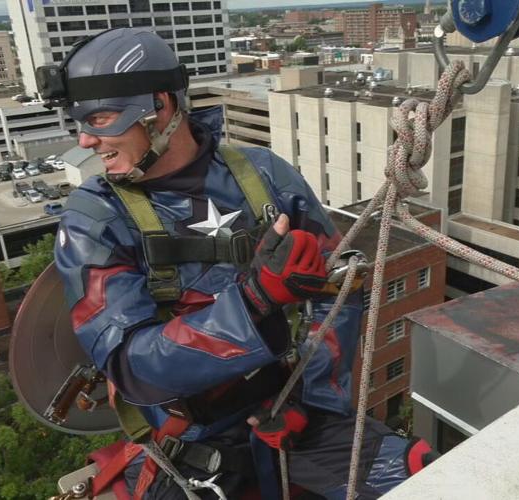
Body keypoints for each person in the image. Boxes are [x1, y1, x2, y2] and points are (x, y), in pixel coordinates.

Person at [43, 28, 436, 499]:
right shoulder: (95, 218)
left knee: (430, 478)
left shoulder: (262, 175)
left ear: (160, 107)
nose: (86, 140)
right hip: (192, 443)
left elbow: (341, 288)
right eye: (80, 123)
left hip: (295, 408)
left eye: (102, 120)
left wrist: (311, 400)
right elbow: (130, 366)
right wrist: (252, 302)